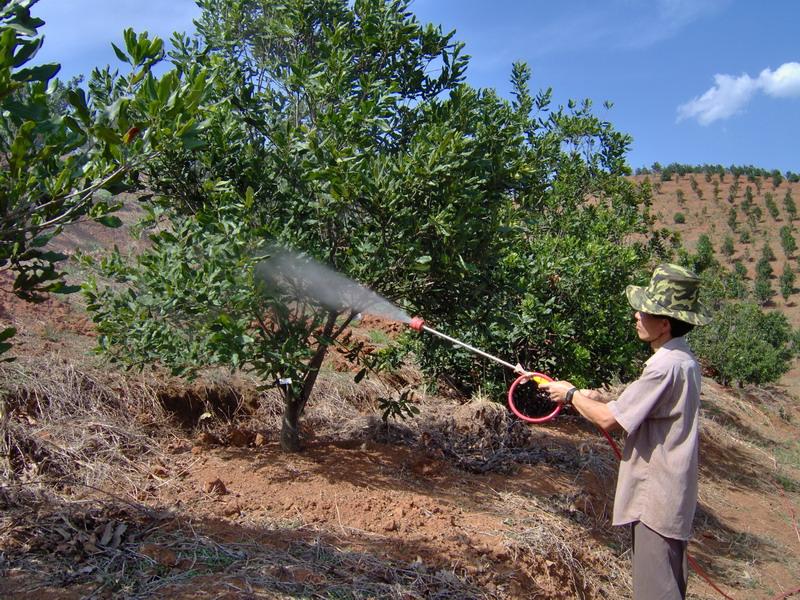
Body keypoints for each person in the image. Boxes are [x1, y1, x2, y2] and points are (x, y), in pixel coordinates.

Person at [538, 263, 711, 600]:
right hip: (670, 495)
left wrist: (570, 395)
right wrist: (598, 398)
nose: (636, 315)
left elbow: (608, 421)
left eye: (644, 311)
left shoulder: (663, 366)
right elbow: (644, 407)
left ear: (663, 324)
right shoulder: (683, 360)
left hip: (655, 499)